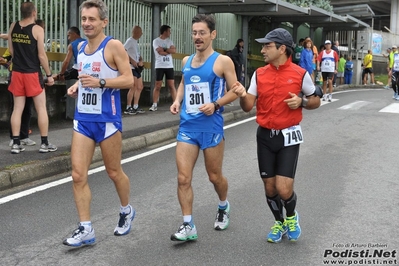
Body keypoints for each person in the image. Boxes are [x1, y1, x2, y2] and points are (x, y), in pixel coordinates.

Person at [232, 28, 321, 243]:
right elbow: (247, 107)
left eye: (267, 46)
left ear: (282, 49)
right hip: (264, 136)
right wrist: (243, 95)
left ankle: (291, 217)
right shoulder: (259, 74)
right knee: (270, 187)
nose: (262, 50)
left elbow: (315, 100)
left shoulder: (300, 74)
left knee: (283, 187)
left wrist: (302, 102)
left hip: (288, 136)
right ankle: (279, 221)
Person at [64, 0, 135, 247]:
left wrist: (102, 83)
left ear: (104, 22)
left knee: (114, 172)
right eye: (84, 19)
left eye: (92, 19)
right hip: (83, 119)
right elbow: (86, 79)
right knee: (77, 174)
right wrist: (76, 85)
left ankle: (126, 210)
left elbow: (129, 80)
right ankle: (86, 229)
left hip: (107, 120)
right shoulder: (81, 47)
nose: (86, 23)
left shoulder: (113, 46)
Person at [169, 13, 243, 242]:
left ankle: (223, 205)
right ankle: (188, 225)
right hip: (188, 127)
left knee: (214, 176)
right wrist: (177, 100)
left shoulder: (222, 61)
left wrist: (216, 104)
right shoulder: (186, 61)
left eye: (202, 33)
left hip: (211, 127)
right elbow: (184, 82)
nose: (197, 37)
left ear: (213, 34)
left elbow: (235, 89)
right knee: (183, 178)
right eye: (194, 33)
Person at [7, 2, 57, 154]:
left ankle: (16, 144)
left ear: (22, 12)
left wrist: (19, 62)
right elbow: (41, 55)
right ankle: (44, 143)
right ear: (34, 12)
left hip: (17, 72)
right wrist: (49, 75)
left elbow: (11, 50)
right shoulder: (37, 29)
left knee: (17, 108)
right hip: (32, 73)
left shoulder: (13, 25)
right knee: (41, 108)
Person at [149, 24, 177, 111]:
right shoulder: (156, 41)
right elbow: (160, 52)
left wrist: (165, 50)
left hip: (169, 66)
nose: (170, 33)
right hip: (160, 66)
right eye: (169, 31)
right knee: (158, 85)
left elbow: (174, 51)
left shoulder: (170, 41)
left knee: (171, 85)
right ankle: (154, 104)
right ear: (164, 31)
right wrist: (168, 50)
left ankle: (175, 103)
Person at [124, 25, 145, 115]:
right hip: (131, 67)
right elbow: (123, 50)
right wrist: (131, 60)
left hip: (136, 67)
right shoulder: (130, 41)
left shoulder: (135, 42)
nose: (141, 34)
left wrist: (140, 60)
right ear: (136, 32)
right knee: (133, 86)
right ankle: (128, 106)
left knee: (140, 86)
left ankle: (136, 105)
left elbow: (137, 53)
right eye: (140, 32)